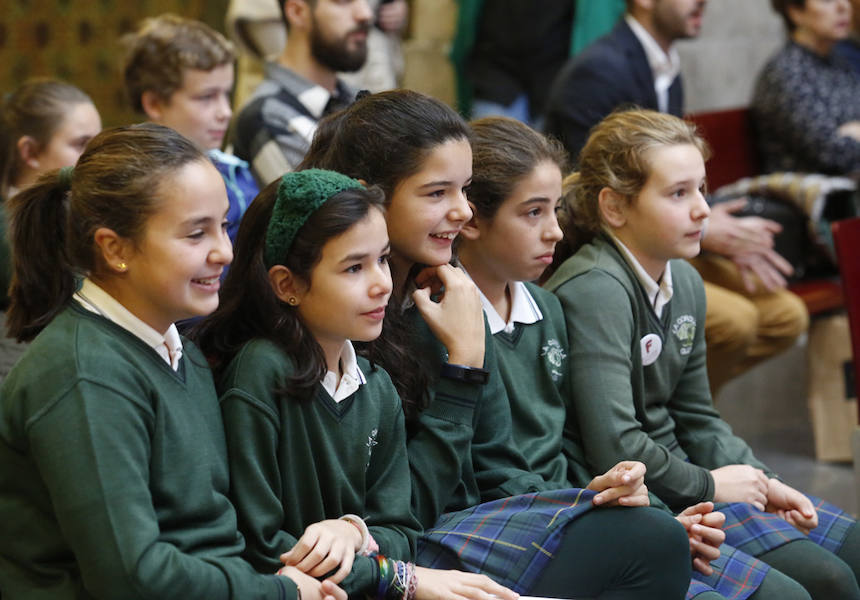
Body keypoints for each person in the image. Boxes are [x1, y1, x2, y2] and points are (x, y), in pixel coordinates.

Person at [300, 89, 693, 599]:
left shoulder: (440, 292)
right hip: (405, 545)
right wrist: (463, 365)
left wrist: (588, 501)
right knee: (652, 544)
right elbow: (402, 510)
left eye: (464, 190)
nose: (462, 211)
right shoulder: (348, 318)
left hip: (456, 526)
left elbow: (498, 462)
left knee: (657, 538)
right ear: (367, 196)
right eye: (437, 193)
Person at [458, 115, 836, 600]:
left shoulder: (547, 306)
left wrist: (762, 480)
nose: (553, 230)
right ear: (614, 207)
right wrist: (673, 505)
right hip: (539, 526)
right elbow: (589, 447)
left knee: (838, 568)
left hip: (617, 502)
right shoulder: (587, 291)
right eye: (533, 213)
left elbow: (693, 416)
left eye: (703, 189)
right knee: (801, 591)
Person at [0, 123, 346, 600]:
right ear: (115, 249)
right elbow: (131, 577)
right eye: (197, 234)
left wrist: (361, 548)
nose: (225, 251)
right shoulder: (83, 375)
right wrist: (279, 593)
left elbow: (220, 534)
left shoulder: (180, 349)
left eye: (224, 225)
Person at [197, 168, 517, 599]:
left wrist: (352, 532)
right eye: (353, 268)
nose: (382, 283)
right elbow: (265, 551)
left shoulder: (374, 383)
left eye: (382, 259)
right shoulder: (262, 372)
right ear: (287, 284)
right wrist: (390, 575)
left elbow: (402, 529)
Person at [544, 0, 808, 395]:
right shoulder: (599, 71)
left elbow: (673, 175)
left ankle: (681, 407)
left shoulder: (664, 62)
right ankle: (664, 413)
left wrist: (709, 219)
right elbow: (591, 196)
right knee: (734, 322)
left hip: (660, 240)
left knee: (785, 315)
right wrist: (705, 229)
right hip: (611, 245)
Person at [121, 14, 259, 243]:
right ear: (154, 103)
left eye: (226, 94)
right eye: (206, 97)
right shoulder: (133, 186)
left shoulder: (235, 171)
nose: (225, 112)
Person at [0, 78, 101, 313]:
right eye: (81, 144)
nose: (96, 158)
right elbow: (69, 310)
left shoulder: (77, 207)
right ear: (30, 152)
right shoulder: (2, 230)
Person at [232, 0, 371, 187]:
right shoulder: (264, 116)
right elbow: (318, 209)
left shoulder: (357, 98)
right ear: (297, 12)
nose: (365, 13)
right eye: (343, 1)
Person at [226, 0, 406, 108]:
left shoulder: (345, 94)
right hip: (299, 107)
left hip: (350, 95)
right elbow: (294, 62)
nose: (366, 14)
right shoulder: (275, 113)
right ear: (297, 11)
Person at [752, 0, 860, 175]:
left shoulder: (839, 62)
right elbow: (830, 153)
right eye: (827, 0)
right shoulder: (786, 72)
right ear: (795, 12)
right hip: (817, 195)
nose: (843, 6)